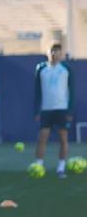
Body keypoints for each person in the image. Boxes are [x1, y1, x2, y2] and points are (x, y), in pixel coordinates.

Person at [34, 42, 74, 178]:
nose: (54, 53)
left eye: (57, 51)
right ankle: (38, 167)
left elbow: (72, 91)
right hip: (46, 110)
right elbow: (37, 91)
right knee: (42, 138)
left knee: (63, 139)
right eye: (52, 50)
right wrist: (36, 110)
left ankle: (61, 169)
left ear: (61, 54)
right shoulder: (40, 69)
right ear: (47, 52)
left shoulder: (66, 69)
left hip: (62, 109)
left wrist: (70, 111)